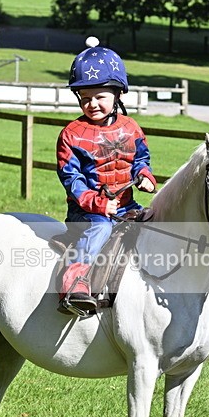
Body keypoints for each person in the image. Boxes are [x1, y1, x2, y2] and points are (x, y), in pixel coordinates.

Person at [57, 37, 157, 314]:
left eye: (100, 97)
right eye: (85, 99)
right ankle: (74, 283)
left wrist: (145, 174)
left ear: (118, 95)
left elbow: (141, 158)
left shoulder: (131, 127)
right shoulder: (71, 135)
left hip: (126, 205)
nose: (92, 104)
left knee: (158, 223)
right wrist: (98, 204)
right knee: (100, 228)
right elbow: (71, 178)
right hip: (86, 213)